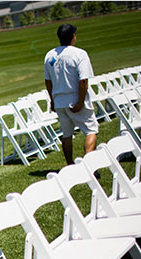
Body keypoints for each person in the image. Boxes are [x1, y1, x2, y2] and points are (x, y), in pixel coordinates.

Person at [44, 23, 99, 166]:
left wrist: (52, 101)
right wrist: (80, 102)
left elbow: (48, 82)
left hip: (59, 100)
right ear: (73, 36)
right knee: (91, 130)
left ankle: (69, 165)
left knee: (66, 135)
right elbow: (83, 81)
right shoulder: (79, 53)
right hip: (75, 99)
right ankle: (89, 165)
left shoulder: (49, 56)